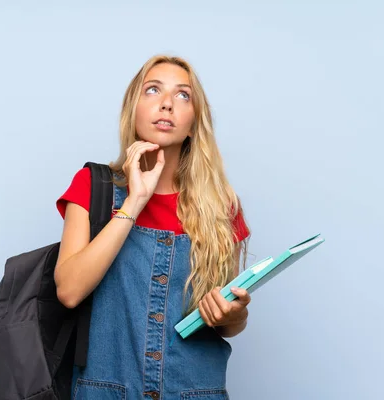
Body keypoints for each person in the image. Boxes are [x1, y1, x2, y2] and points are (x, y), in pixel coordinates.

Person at [54, 54, 251, 400]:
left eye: (182, 95)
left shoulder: (222, 208)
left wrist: (234, 314)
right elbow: (69, 291)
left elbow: (229, 324)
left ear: (193, 124)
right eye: (153, 90)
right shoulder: (91, 186)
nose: (166, 104)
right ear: (133, 111)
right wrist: (134, 201)